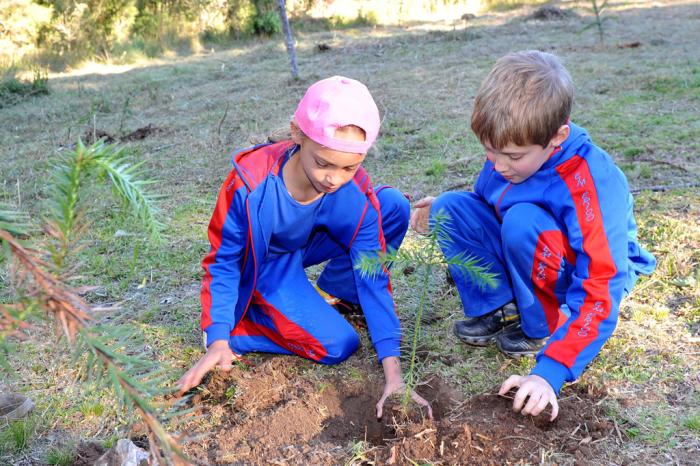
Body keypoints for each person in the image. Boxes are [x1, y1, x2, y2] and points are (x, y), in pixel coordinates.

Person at [410, 51, 655, 420]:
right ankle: (503, 307)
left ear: (557, 137)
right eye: (489, 151)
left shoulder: (590, 180)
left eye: (511, 155)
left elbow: (601, 281)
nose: (498, 165)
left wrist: (550, 372)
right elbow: (491, 201)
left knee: (522, 221)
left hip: (580, 267)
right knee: (451, 207)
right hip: (529, 245)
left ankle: (542, 323)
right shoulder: (510, 153)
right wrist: (448, 213)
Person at [177, 76, 432, 419]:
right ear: (298, 135)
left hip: (307, 240)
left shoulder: (351, 190)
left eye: (349, 167)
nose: (334, 178)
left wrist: (394, 376)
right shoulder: (250, 185)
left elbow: (374, 276)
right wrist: (218, 336)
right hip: (267, 262)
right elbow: (223, 262)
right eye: (323, 163)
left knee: (391, 205)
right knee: (339, 344)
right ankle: (245, 328)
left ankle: (341, 294)